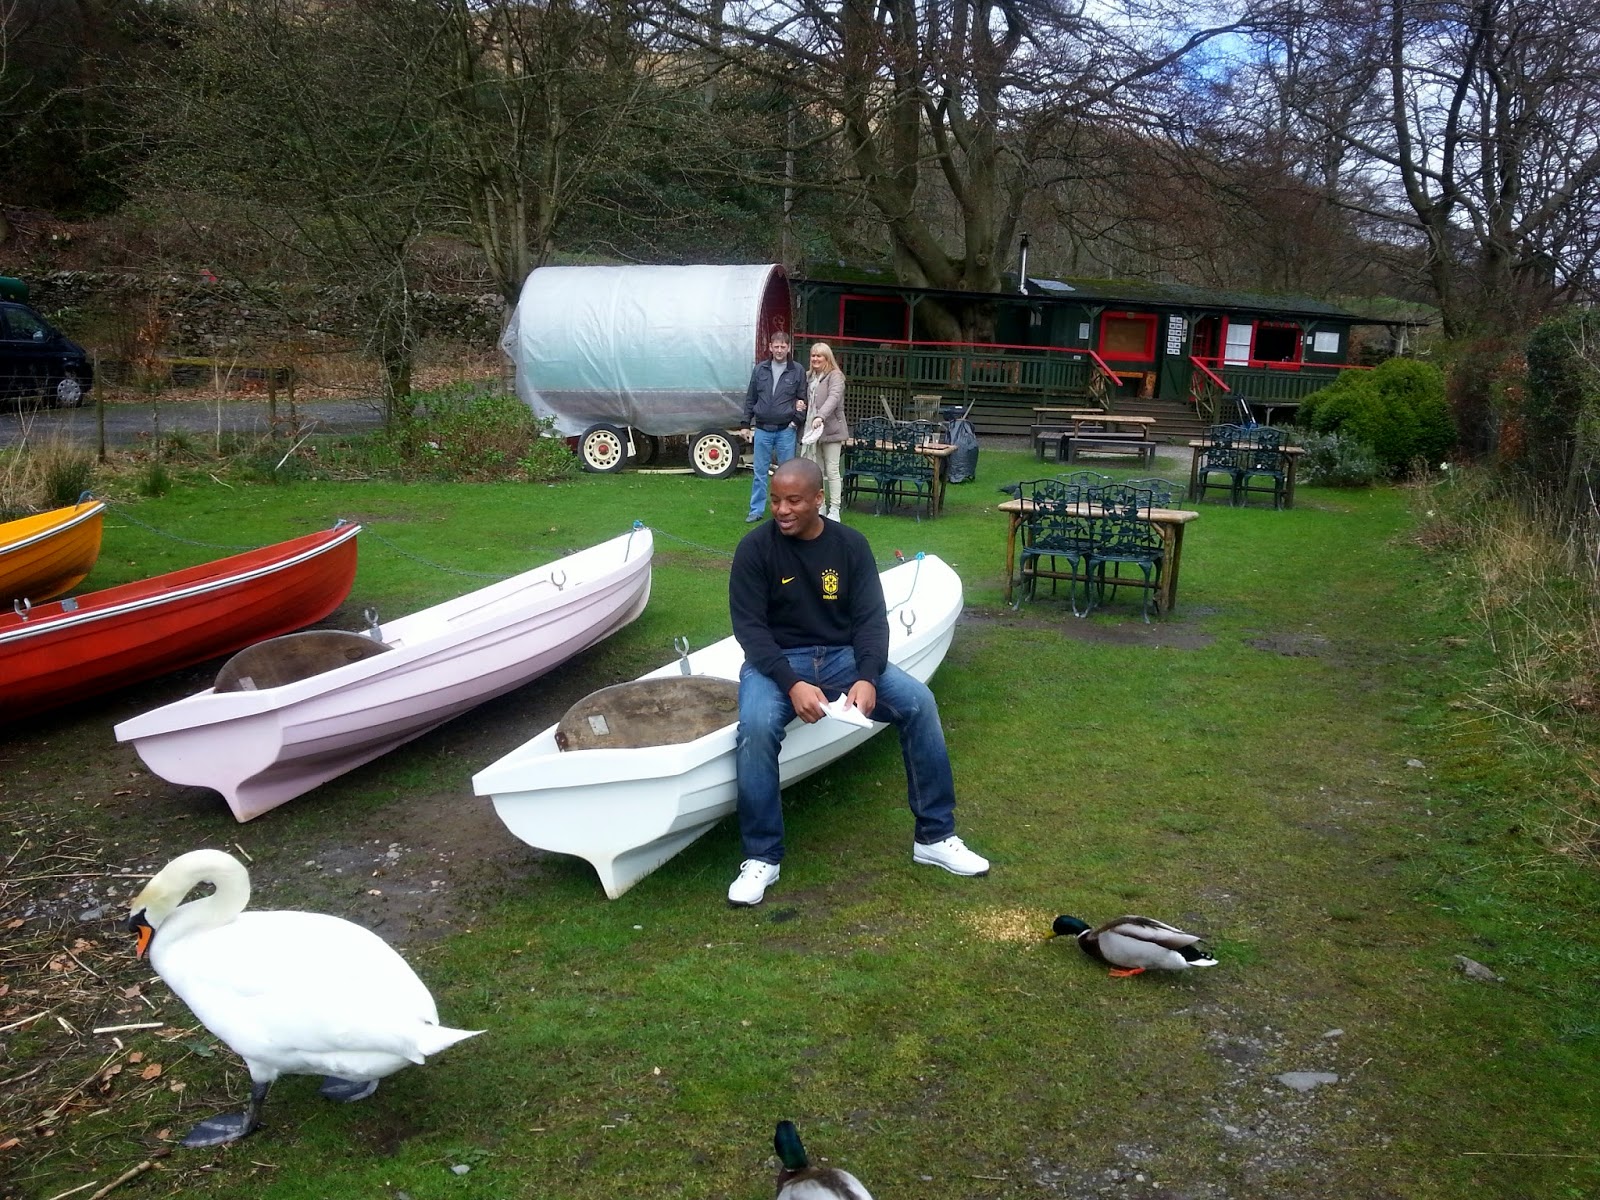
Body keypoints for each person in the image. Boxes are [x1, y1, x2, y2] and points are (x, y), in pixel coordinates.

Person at [725, 457, 989, 906]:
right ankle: (762, 857)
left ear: (818, 499)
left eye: (793, 501)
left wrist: (867, 677)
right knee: (755, 727)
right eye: (776, 500)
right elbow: (750, 629)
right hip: (777, 663)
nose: (782, 510)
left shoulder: (850, 545)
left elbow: (870, 621)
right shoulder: (755, 549)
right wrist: (791, 683)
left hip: (843, 658)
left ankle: (934, 836)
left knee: (919, 703)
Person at [739, 331, 808, 523]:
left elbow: (803, 399)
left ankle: (786, 510)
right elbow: (751, 398)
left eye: (783, 347)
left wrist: (795, 422)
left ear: (789, 348)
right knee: (759, 473)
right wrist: (745, 424)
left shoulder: (797, 371)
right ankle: (756, 510)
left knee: (787, 475)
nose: (779, 350)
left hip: (786, 430)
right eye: (776, 347)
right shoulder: (760, 370)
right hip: (762, 429)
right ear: (770, 347)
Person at [799, 342, 848, 521]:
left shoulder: (836, 376)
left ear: (827, 358)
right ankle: (821, 506)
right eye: (813, 355)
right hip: (812, 430)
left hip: (831, 430)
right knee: (816, 471)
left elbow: (833, 398)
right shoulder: (808, 376)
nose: (815, 359)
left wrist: (820, 416)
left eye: (819, 356)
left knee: (832, 470)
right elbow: (804, 396)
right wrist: (800, 403)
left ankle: (835, 509)